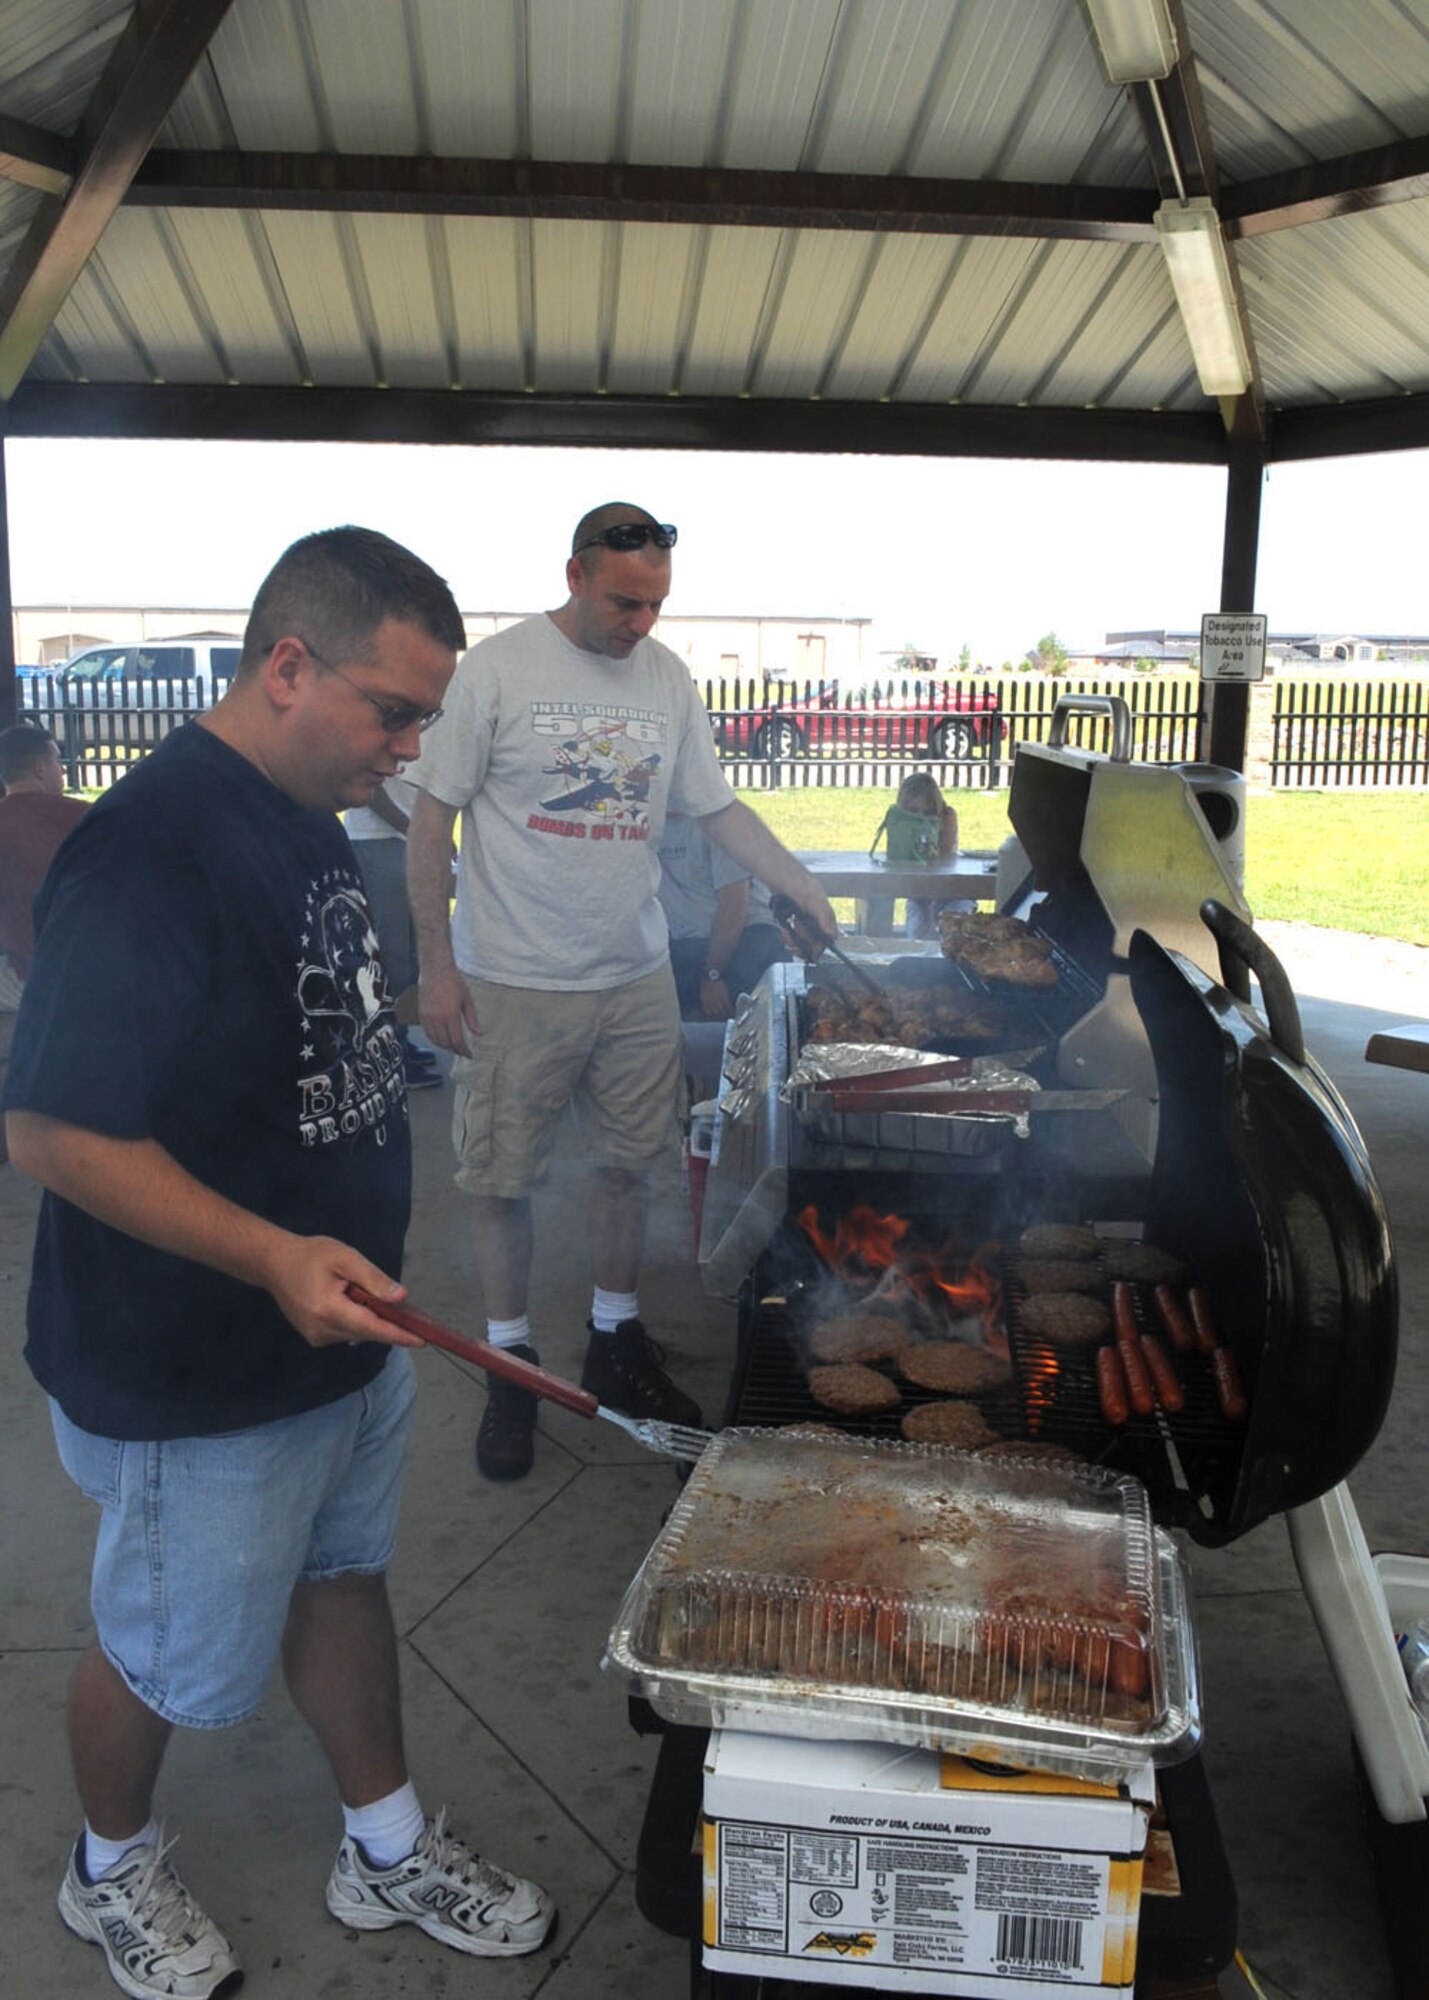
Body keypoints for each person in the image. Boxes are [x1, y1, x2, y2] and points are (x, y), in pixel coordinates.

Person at [1, 527, 556, 2000]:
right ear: (288, 666)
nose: (413, 746)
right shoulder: (145, 855)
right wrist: (270, 1255)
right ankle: (105, 1868)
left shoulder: (312, 809)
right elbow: (51, 1132)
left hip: (346, 1330)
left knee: (342, 1576)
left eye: (427, 718)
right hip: (200, 1364)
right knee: (161, 1642)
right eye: (393, 710)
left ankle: (382, 1845)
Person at [406, 501, 838, 1483]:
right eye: (622, 600)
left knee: (627, 1165)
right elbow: (431, 819)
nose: (638, 621)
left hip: (633, 973)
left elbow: (715, 805)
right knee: (500, 1176)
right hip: (510, 975)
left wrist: (798, 882)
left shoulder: (666, 680)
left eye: (654, 603)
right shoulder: (500, 669)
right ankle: (509, 1357)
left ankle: (613, 1335)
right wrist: (436, 961)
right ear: (573, 573)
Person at [343, 773, 443, 1088]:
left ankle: (396, 1041)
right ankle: (381, 1057)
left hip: (399, 841)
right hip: (377, 841)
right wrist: (411, 828)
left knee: (407, 954)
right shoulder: (380, 727)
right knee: (389, 953)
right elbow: (370, 793)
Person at [657, 808, 787, 1019]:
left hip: (745, 940)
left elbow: (734, 907)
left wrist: (713, 975)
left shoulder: (718, 824)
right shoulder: (643, 823)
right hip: (685, 944)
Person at [0, 723, 88, 1013]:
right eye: (57, 761)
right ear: (40, 768)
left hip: (23, 978)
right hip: (88, 968)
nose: (62, 771)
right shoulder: (84, 818)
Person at [871, 770, 973, 939]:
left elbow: (945, 853)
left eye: (927, 813)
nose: (920, 817)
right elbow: (898, 853)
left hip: (953, 892)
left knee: (950, 936)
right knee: (917, 938)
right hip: (918, 896)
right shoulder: (899, 820)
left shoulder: (947, 816)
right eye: (913, 811)